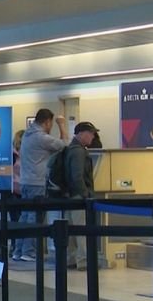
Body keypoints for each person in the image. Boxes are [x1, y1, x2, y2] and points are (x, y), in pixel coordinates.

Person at [12, 109, 67, 262]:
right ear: (47, 122)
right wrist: (62, 125)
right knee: (35, 217)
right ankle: (28, 251)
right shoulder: (41, 138)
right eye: (51, 124)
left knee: (24, 216)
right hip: (37, 183)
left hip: (25, 182)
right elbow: (64, 145)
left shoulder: (27, 135)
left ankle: (18, 250)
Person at [64, 121, 99, 270]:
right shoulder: (79, 151)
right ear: (82, 134)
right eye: (91, 133)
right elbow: (77, 176)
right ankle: (84, 261)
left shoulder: (69, 149)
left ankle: (71, 259)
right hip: (78, 197)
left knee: (70, 230)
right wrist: (85, 195)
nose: (93, 136)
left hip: (67, 196)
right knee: (82, 230)